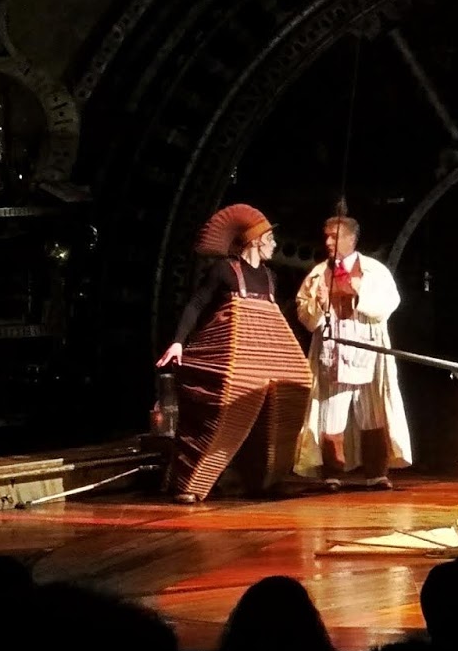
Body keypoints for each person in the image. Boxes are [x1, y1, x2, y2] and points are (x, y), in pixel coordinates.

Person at [156, 204, 311, 504]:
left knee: (295, 386)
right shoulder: (225, 270)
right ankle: (191, 482)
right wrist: (178, 342)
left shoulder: (270, 277)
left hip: (262, 352)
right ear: (256, 241)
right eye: (271, 239)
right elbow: (197, 304)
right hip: (232, 354)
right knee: (226, 405)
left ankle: (265, 477)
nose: (275, 245)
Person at [294, 212, 411, 489]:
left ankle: (376, 473)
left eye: (334, 237)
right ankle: (332, 473)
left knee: (372, 412)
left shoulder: (374, 271)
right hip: (333, 352)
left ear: (351, 239)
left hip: (367, 351)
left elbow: (390, 303)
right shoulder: (318, 274)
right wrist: (319, 304)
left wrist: (360, 292)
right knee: (331, 413)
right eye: (326, 237)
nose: (328, 242)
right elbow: (305, 315)